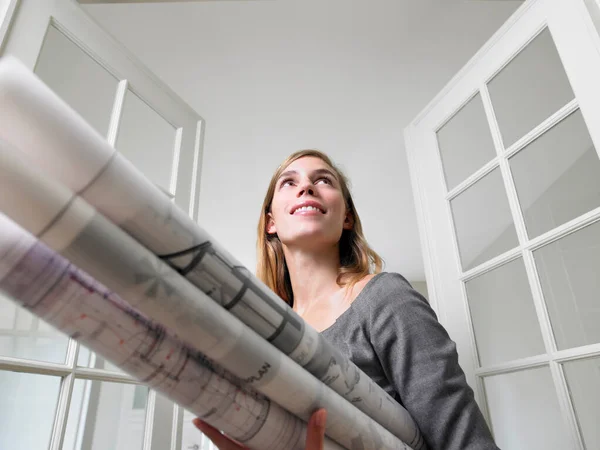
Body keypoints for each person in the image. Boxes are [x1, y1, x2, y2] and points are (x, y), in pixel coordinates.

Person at [197, 149, 500, 449]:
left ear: (347, 218)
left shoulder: (385, 298)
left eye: (324, 180)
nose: (306, 187)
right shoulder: (264, 338)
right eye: (289, 182)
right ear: (270, 222)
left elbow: (465, 442)